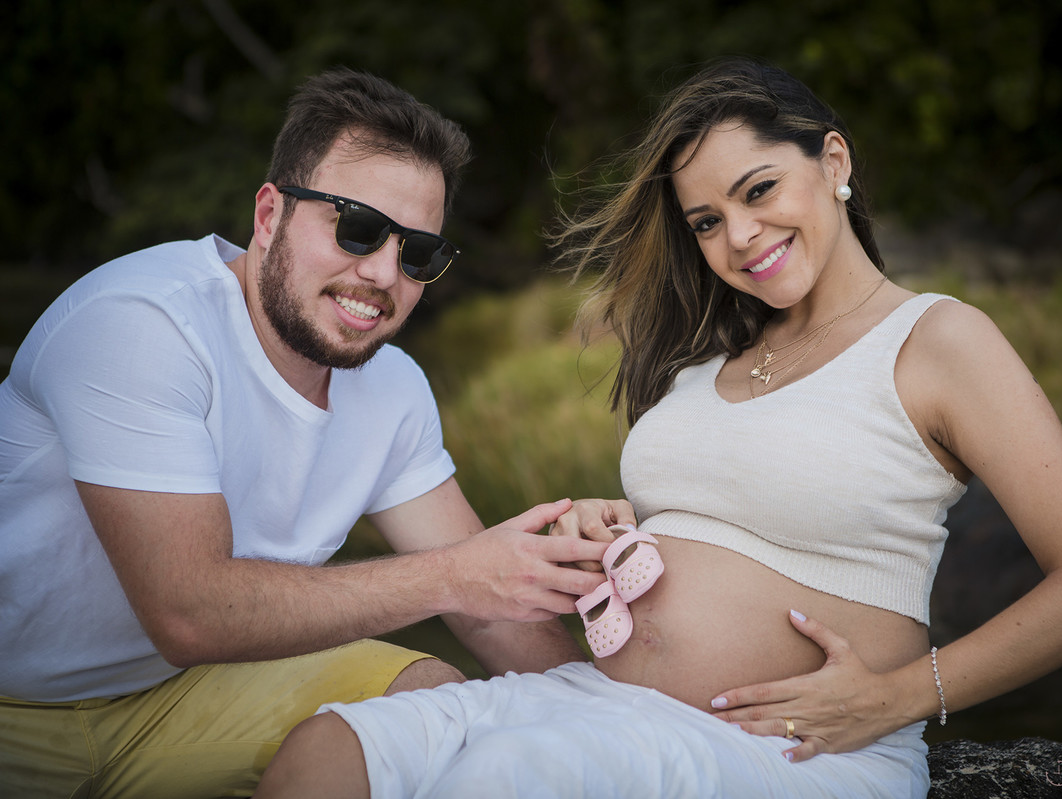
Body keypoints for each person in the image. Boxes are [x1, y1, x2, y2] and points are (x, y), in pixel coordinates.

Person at [253, 58, 1062, 798]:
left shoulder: (937, 339)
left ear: (834, 162)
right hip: (597, 701)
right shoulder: (706, 362)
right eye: (708, 221)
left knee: (505, 776)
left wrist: (900, 698)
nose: (741, 236)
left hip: (797, 749)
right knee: (328, 753)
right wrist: (606, 527)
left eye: (761, 190)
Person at [0, 68, 611, 798]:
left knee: (430, 705)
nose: (384, 273)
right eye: (357, 227)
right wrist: (457, 575)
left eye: (418, 253)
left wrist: (618, 717)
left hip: (181, 696)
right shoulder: (141, 324)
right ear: (269, 215)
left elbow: (490, 610)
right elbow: (187, 611)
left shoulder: (393, 389)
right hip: (14, 705)